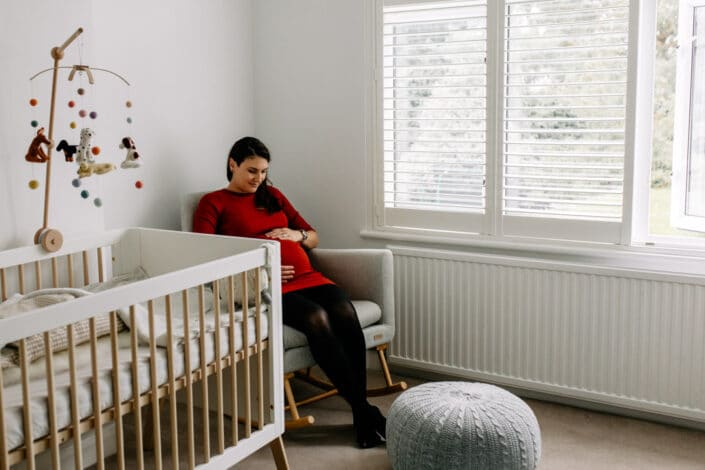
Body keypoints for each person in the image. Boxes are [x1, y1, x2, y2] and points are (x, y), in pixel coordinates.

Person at [192, 136, 386, 448]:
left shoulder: (273, 196)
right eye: (252, 171)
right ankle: (364, 413)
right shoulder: (212, 203)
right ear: (232, 165)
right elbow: (204, 253)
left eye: (264, 171)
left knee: (344, 312)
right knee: (317, 318)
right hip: (267, 286)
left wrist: (297, 234)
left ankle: (361, 413)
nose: (259, 178)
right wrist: (260, 272)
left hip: (308, 275)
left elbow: (313, 237)